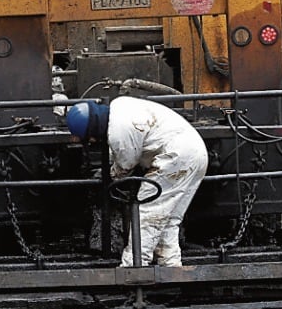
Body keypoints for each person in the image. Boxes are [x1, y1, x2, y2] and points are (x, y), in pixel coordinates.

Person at [66, 97, 208, 267]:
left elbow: (126, 165)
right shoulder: (120, 105)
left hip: (176, 157)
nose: (93, 141)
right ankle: (171, 265)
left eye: (90, 138)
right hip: (195, 152)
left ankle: (134, 265)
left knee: (148, 211)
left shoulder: (118, 133)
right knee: (168, 218)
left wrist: (107, 176)